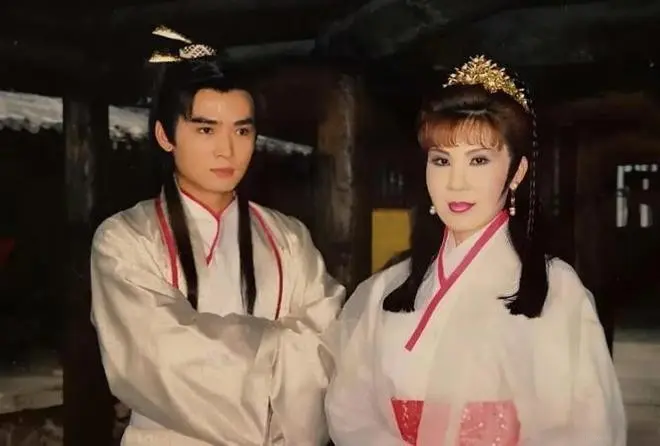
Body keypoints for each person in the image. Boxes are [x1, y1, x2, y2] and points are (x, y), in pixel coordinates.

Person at [325, 55, 626, 445]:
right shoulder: (386, 289)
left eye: (479, 160)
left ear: (517, 172)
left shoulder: (557, 290)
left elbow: (587, 425)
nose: (457, 182)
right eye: (441, 160)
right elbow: (349, 409)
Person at [90, 27, 344, 446]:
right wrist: (282, 353)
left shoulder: (288, 238)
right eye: (206, 130)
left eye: (242, 131)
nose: (227, 150)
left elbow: (330, 343)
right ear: (165, 135)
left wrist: (223, 351)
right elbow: (158, 360)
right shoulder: (125, 239)